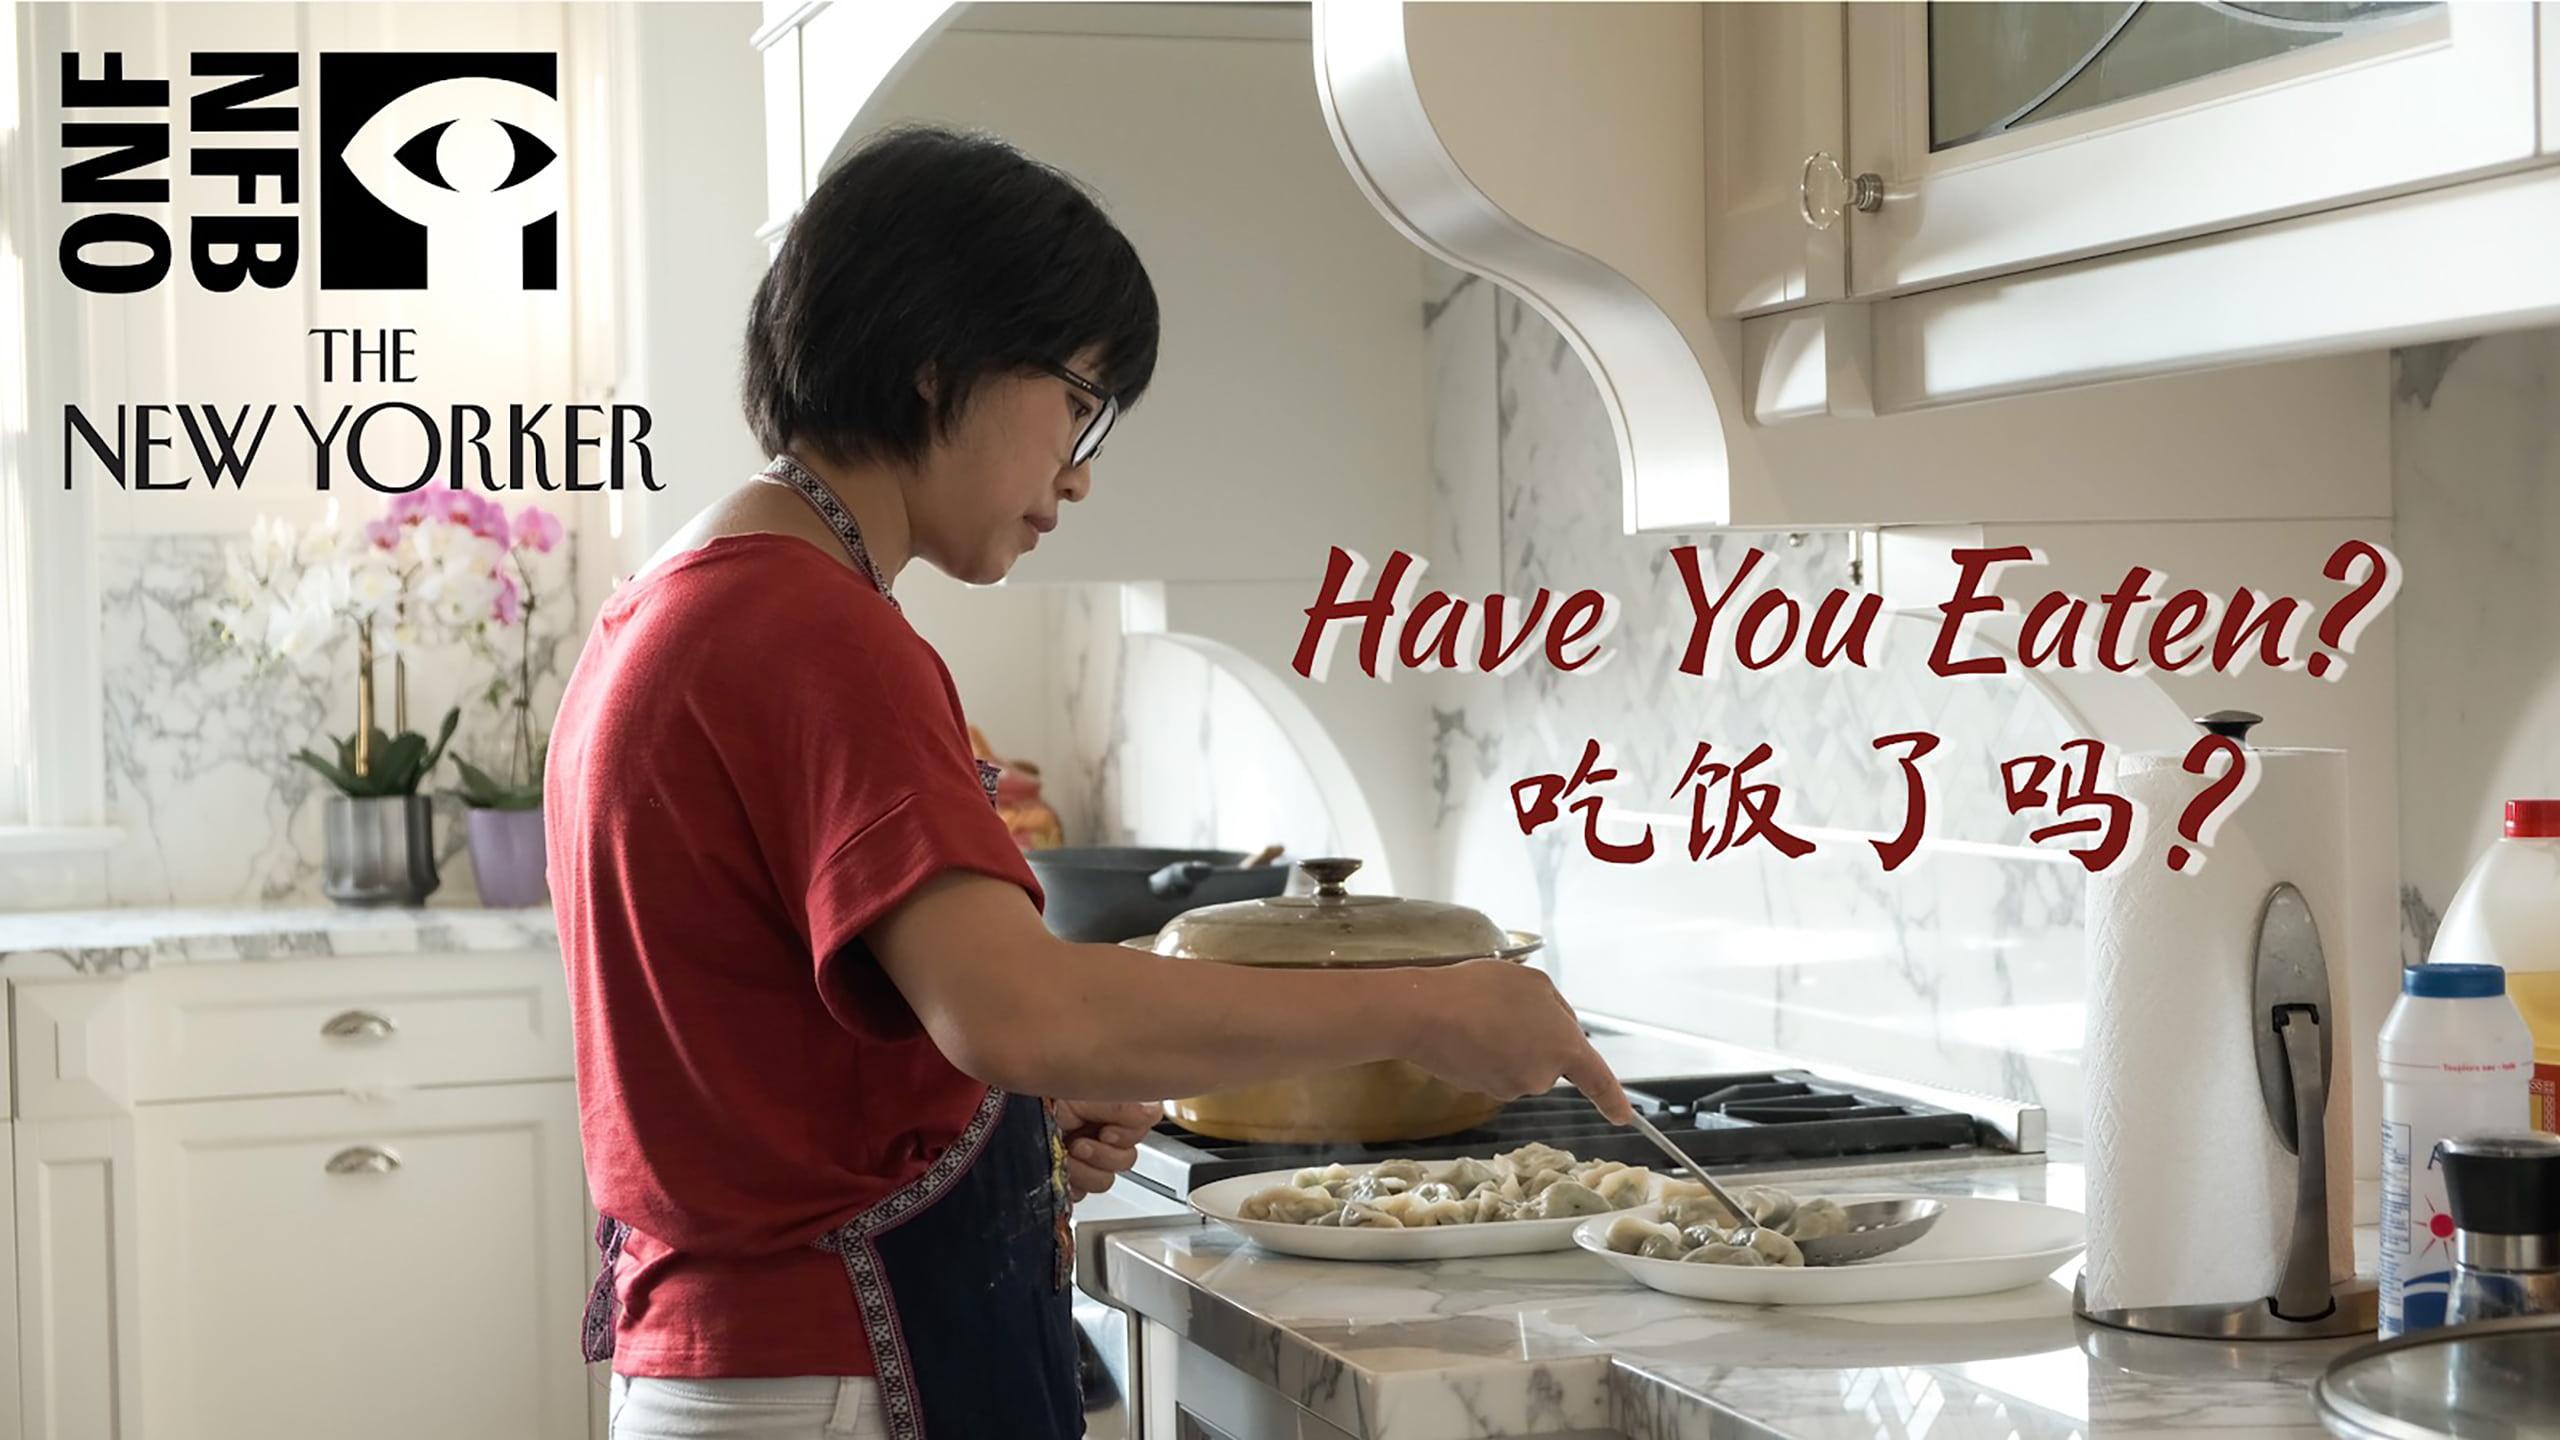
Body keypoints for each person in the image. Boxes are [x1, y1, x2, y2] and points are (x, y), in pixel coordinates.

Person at [546, 123, 1630, 1440]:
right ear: (934, 356)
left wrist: (995, 1129)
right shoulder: (820, 632)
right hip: (839, 1380)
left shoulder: (672, 604)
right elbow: (1020, 1009)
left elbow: (784, 1066)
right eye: (1078, 397)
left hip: (738, 1369)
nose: (1081, 467)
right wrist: (1427, 1009)